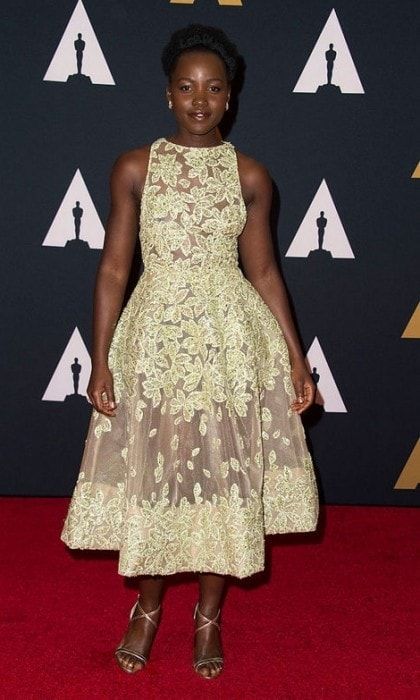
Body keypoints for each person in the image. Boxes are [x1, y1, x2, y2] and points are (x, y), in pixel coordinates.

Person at [60, 23, 319, 680]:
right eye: (186, 87)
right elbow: (115, 270)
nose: (199, 99)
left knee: (223, 476)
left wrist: (294, 356)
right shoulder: (134, 167)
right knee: (157, 473)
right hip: (154, 341)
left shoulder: (251, 174)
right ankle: (146, 609)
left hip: (230, 342)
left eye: (213, 88)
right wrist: (101, 358)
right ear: (168, 93)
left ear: (230, 97)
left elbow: (263, 272)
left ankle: (208, 614)